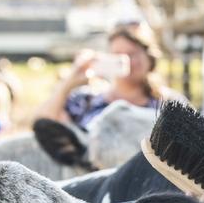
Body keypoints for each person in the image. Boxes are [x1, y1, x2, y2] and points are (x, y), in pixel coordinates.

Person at [36, 21, 187, 128]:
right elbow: (42, 125)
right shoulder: (86, 101)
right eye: (118, 55)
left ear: (150, 58)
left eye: (132, 54)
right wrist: (69, 81)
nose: (126, 61)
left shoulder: (170, 105)